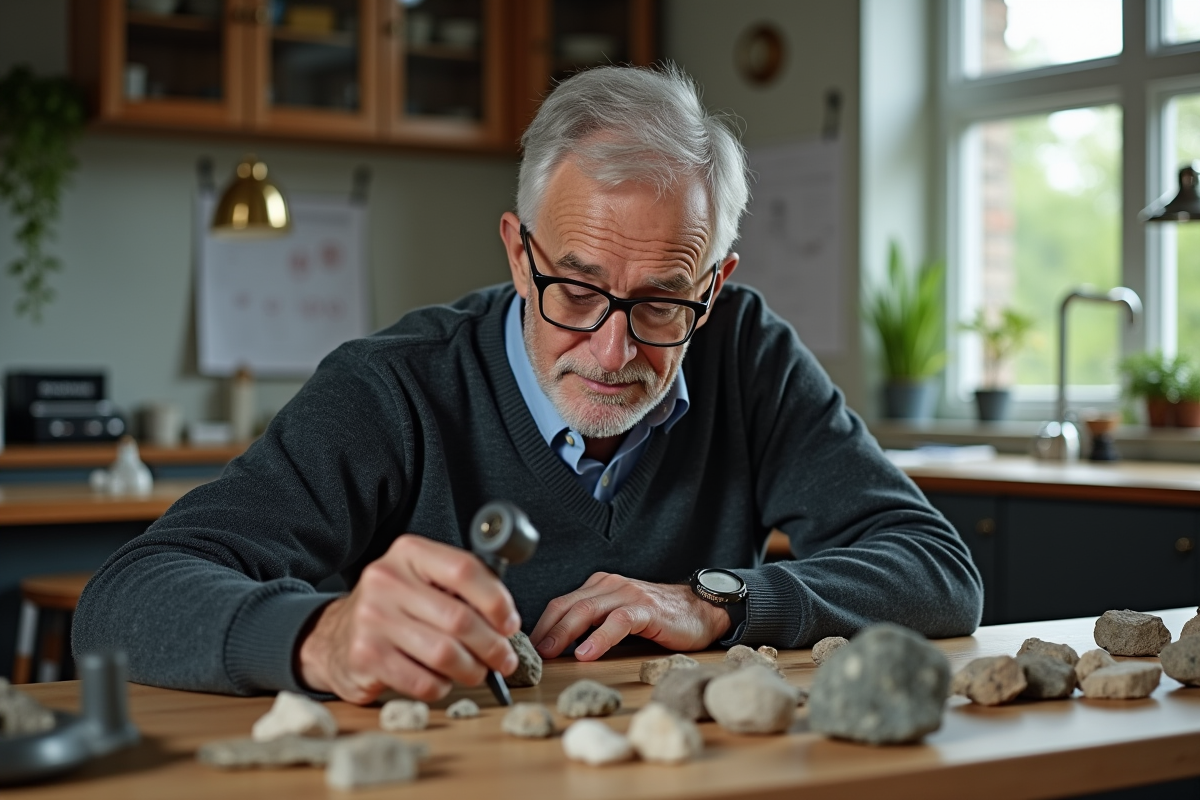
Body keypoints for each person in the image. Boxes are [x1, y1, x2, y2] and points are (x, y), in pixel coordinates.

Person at [73, 64, 982, 703]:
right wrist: (320, 638)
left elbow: (939, 571)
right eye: (577, 290)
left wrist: (720, 600)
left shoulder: (744, 351)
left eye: (665, 302)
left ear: (717, 281)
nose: (615, 347)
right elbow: (126, 599)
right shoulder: (392, 389)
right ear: (518, 252)